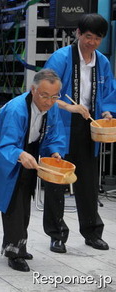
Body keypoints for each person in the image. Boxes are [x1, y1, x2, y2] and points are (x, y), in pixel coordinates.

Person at [0, 69, 66, 272]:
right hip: (7, 157)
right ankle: (13, 252)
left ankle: (19, 244)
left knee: (25, 202)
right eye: (45, 95)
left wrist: (55, 152)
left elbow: (55, 135)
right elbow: (6, 142)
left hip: (30, 153)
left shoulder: (51, 107)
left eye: (54, 96)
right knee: (13, 203)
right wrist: (20, 154)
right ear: (33, 90)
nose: (49, 101)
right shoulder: (16, 109)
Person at [43, 13, 116, 253]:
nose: (92, 42)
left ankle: (92, 232)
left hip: (89, 126)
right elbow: (43, 92)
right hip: (60, 126)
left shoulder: (102, 62)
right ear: (77, 33)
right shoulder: (61, 58)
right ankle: (57, 235)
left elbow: (108, 95)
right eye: (88, 37)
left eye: (97, 38)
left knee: (88, 182)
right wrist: (68, 106)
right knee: (57, 181)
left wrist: (106, 112)